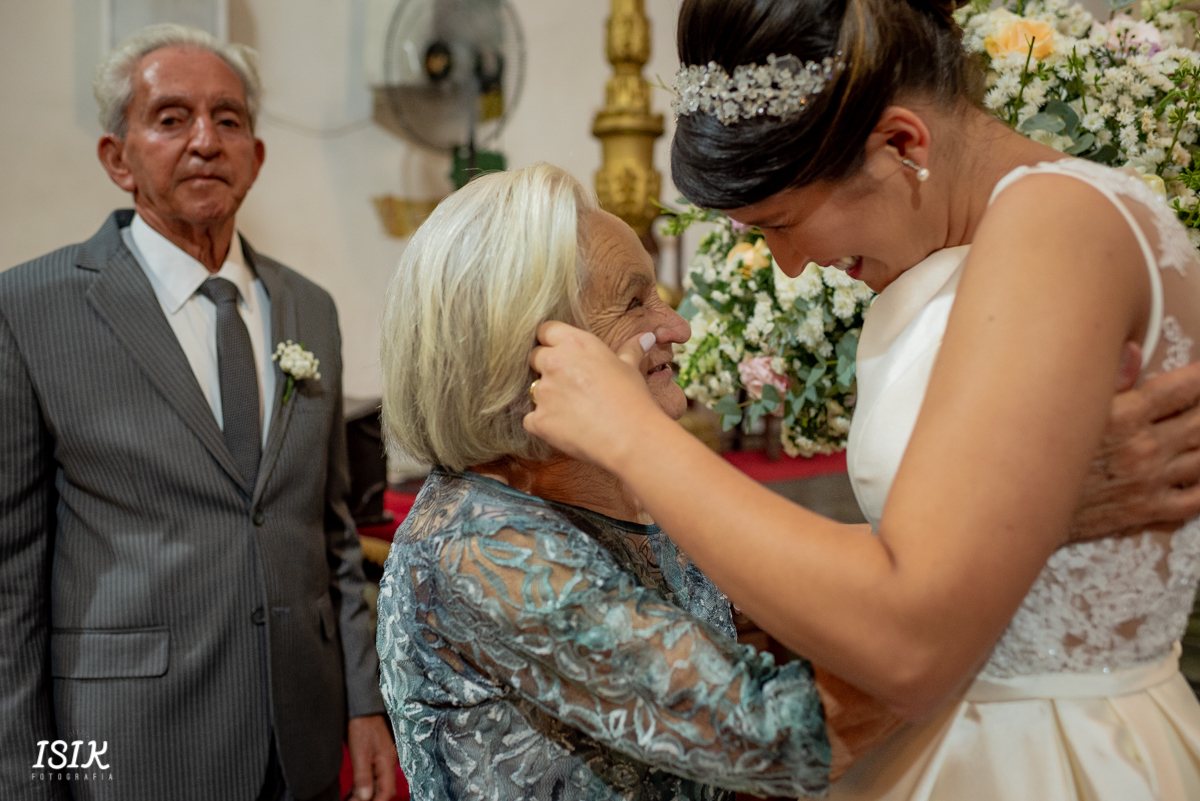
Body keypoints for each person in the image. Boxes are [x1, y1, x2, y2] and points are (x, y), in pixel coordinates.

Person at [520, 0, 1200, 798]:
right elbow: (950, 548)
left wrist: (631, 433)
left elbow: (911, 639)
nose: (791, 268)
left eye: (782, 222)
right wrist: (1044, 507)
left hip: (1045, 758)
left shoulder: (1053, 226)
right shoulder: (984, 243)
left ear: (902, 144)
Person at [376, 163, 1200, 800]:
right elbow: (779, 732)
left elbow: (806, 613)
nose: (677, 327)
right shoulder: (482, 550)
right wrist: (1036, 516)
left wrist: (989, 512)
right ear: (529, 354)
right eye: (635, 303)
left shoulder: (616, 498)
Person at [0, 25, 395, 801]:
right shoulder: (31, 309)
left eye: (229, 118)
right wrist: (25, 777)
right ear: (118, 158)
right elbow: (11, 580)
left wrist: (362, 700)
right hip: (124, 746)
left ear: (256, 154)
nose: (205, 141)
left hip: (301, 735)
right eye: (171, 118)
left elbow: (333, 532)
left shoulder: (308, 309)